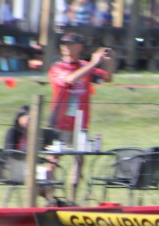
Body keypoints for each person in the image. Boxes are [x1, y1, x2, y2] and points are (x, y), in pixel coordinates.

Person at [48, 32, 114, 201]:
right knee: (53, 161)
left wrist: (109, 61)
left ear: (80, 47)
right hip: (60, 122)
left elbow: (107, 78)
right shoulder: (57, 68)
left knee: (79, 161)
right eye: (64, 44)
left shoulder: (86, 66)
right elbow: (69, 80)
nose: (66, 48)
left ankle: (72, 200)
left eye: (71, 44)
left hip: (80, 122)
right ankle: (49, 197)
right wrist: (93, 63)